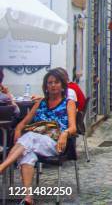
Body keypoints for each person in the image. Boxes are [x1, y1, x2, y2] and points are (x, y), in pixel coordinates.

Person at [0, 69, 77, 205]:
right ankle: (28, 199)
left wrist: (65, 133)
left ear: (63, 85)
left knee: (29, 137)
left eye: (56, 82)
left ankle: (3, 167)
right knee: (27, 155)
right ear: (45, 86)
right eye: (50, 83)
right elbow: (24, 121)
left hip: (55, 143)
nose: (53, 85)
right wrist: (18, 128)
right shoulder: (40, 103)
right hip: (35, 142)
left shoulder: (68, 103)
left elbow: (73, 127)